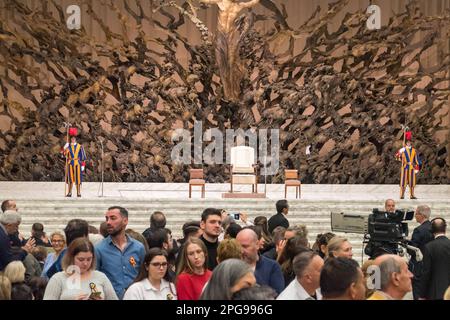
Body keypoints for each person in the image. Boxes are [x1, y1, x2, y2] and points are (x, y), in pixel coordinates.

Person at [199, 0, 260, 101]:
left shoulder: (238, 5)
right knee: (221, 63)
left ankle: (234, 92)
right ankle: (227, 93)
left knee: (232, 63)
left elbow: (252, 3)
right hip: (221, 36)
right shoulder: (221, 2)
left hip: (230, 38)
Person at [95, 206, 146, 299]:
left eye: (113, 218)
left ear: (125, 221)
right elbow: (95, 278)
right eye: (107, 219)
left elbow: (144, 275)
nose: (108, 222)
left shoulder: (138, 248)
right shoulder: (99, 249)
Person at [43, 238, 117, 300]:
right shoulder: (58, 279)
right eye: (81, 259)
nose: (85, 263)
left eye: (89, 259)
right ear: (71, 258)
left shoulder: (101, 277)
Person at [236, 228, 285, 294]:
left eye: (245, 246)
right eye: (238, 247)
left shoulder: (272, 267)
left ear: (257, 245)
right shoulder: (231, 268)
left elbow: (278, 295)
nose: (241, 251)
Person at [418, 218, 450, 300]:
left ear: (431, 230)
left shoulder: (429, 247)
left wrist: (422, 294)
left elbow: (426, 272)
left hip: (435, 292)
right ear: (445, 229)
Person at [408, 205, 434, 299]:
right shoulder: (433, 228)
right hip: (430, 266)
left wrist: (407, 244)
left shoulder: (419, 230)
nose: (415, 215)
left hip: (419, 268)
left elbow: (412, 250)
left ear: (421, 215)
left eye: (416, 213)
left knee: (418, 293)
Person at [395, 131, 420, 199]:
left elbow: (417, 159)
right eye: (407, 142)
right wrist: (400, 153)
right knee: (403, 182)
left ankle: (412, 195)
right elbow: (397, 157)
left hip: (412, 168)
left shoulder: (414, 150)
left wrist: (417, 167)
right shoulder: (403, 150)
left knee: (412, 182)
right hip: (405, 168)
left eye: (409, 142)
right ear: (406, 143)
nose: (409, 143)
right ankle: (402, 195)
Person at [63, 129, 87, 197]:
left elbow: (83, 156)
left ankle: (78, 192)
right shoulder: (68, 146)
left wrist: (83, 165)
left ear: (75, 139)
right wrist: (64, 148)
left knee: (78, 178)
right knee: (70, 178)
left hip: (77, 163)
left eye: (74, 139)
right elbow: (64, 155)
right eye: (72, 139)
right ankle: (69, 192)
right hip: (70, 163)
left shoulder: (80, 146)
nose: (73, 140)